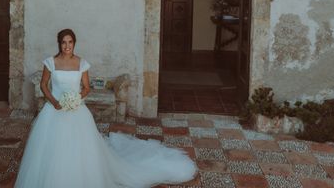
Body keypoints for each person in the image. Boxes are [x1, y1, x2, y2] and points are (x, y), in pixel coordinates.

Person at [14, 29, 197, 188]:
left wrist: (76, 99)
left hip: (76, 110)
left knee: (81, 150)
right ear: (59, 44)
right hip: (54, 110)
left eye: (70, 42)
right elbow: (44, 85)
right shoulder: (50, 63)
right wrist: (54, 101)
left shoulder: (82, 63)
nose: (67, 46)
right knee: (49, 150)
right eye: (63, 42)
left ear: (74, 43)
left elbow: (86, 88)